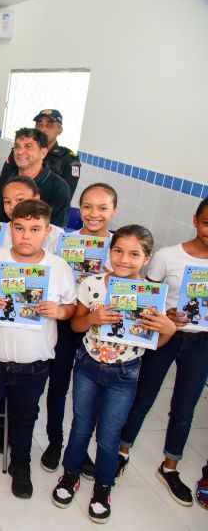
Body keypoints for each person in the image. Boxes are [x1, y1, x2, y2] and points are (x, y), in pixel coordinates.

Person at [0, 199, 76, 499]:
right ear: (11, 228)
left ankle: (21, 464)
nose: (26, 236)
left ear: (47, 231)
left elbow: (71, 307)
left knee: (25, 416)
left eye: (35, 229)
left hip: (34, 364)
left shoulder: (58, 268)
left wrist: (59, 312)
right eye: (19, 228)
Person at [52, 225, 175, 524]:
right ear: (109, 251)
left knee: (109, 437)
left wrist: (169, 329)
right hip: (87, 367)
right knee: (81, 426)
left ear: (147, 259)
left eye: (135, 254)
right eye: (118, 251)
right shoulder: (93, 284)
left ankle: (103, 487)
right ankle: (70, 475)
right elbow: (76, 326)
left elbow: (156, 343)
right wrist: (92, 317)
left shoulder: (152, 295)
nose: (124, 259)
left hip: (125, 374)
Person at [117, 197, 208, 507]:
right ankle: (121, 451)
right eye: (207, 223)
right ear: (195, 220)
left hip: (201, 342)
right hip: (165, 336)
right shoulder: (169, 257)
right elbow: (147, 295)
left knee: (185, 407)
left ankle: (170, 466)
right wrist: (167, 310)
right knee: (143, 396)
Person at [41, 183, 117, 474]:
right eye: (87, 206)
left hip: (100, 330)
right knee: (58, 386)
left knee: (90, 393)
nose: (93, 214)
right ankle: (55, 441)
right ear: (79, 208)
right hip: (65, 323)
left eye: (102, 208)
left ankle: (80, 447)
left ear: (114, 211)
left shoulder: (119, 246)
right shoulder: (62, 241)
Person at [0, 128, 72, 228]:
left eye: (28, 146)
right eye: (17, 147)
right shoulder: (4, 180)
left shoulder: (59, 188)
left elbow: (55, 232)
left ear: (43, 153)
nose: (20, 152)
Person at [0, 109, 82, 195]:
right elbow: (4, 179)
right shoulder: (21, 152)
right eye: (39, 125)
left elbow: (65, 195)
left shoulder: (69, 160)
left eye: (49, 125)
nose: (42, 129)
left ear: (60, 130)